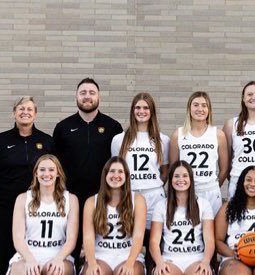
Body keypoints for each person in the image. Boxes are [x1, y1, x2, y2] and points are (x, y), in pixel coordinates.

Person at [53, 77, 122, 260]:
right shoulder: (63, 128)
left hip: (103, 198)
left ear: (99, 97)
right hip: (71, 198)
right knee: (72, 246)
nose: (87, 96)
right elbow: (56, 166)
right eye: (83, 92)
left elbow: (118, 165)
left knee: (101, 248)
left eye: (92, 92)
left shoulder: (113, 127)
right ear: (76, 96)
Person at [0, 96, 56, 275]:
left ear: (35, 114)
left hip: (36, 209)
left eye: (29, 109)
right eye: (21, 109)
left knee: (31, 258)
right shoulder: (0, 141)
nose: (25, 112)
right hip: (4, 207)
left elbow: (52, 172)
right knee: (2, 256)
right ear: (14, 113)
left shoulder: (46, 141)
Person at [111, 92, 170, 271]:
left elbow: (165, 171)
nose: (141, 111)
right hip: (129, 196)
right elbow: (116, 168)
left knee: (154, 241)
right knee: (129, 239)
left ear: (152, 111)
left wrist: (151, 184)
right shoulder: (119, 139)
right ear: (132, 110)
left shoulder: (163, 140)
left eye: (146, 108)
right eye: (138, 107)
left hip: (154, 196)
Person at [9, 154, 79, 275]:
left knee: (54, 271)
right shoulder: (23, 198)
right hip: (28, 254)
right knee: (29, 272)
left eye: (51, 170)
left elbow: (71, 239)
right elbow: (18, 238)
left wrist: (58, 259)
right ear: (36, 173)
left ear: (58, 173)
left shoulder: (71, 199)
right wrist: (30, 260)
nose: (46, 174)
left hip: (59, 254)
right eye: (42, 169)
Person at [81, 157, 147, 275]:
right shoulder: (91, 202)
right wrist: (92, 263)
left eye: (120, 171)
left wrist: (129, 263)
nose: (116, 175)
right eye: (112, 171)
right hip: (100, 255)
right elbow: (88, 237)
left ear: (126, 176)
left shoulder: (138, 200)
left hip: (128, 255)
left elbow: (139, 235)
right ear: (105, 175)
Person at [149, 161, 215, 275]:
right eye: (176, 176)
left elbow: (209, 240)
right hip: (170, 259)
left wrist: (206, 262)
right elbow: (154, 241)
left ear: (191, 179)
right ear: (170, 179)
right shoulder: (161, 206)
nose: (181, 179)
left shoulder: (204, 204)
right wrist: (159, 263)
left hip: (196, 258)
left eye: (185, 176)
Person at [169, 91, 229, 215]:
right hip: (187, 190)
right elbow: (173, 168)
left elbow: (224, 169)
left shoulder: (218, 134)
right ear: (189, 108)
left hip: (211, 191)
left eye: (204, 105)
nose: (200, 109)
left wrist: (214, 186)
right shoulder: (178, 135)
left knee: (211, 226)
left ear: (209, 109)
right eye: (196, 105)